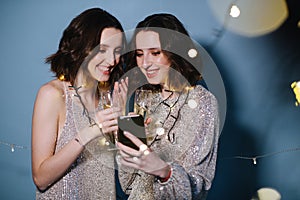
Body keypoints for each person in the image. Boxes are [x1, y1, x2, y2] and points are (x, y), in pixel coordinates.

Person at [117, 13, 220, 199]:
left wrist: (164, 171)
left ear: (174, 53)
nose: (145, 63)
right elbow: (129, 185)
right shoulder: (143, 97)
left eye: (155, 53)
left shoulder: (202, 101)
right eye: (139, 54)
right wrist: (124, 125)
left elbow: (198, 185)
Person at [31, 8, 128, 199]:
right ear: (82, 46)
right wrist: (90, 131)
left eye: (117, 51)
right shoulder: (53, 95)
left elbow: (124, 171)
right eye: (102, 50)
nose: (112, 60)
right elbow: (41, 178)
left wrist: (123, 118)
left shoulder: (109, 96)